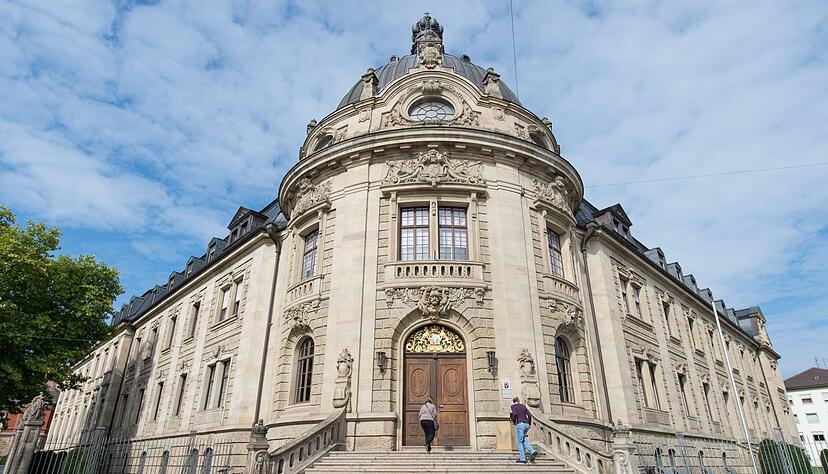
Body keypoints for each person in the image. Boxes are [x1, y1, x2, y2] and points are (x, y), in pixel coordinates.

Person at [510, 396, 537, 464]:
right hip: (526, 425)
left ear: (513, 401)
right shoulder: (523, 406)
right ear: (518, 401)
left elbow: (515, 414)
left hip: (520, 424)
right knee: (522, 440)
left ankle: (523, 459)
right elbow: (530, 415)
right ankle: (532, 451)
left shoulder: (513, 406)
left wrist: (513, 420)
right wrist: (529, 424)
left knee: (519, 442)